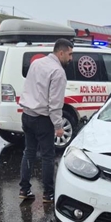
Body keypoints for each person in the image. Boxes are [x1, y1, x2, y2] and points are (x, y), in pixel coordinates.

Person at [18, 38, 73, 203]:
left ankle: (24, 189)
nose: (71, 58)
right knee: (48, 156)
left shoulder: (37, 63)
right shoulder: (58, 72)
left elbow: (28, 87)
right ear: (61, 52)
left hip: (27, 115)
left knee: (29, 152)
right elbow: (55, 103)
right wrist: (58, 125)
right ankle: (48, 194)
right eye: (70, 54)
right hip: (43, 119)